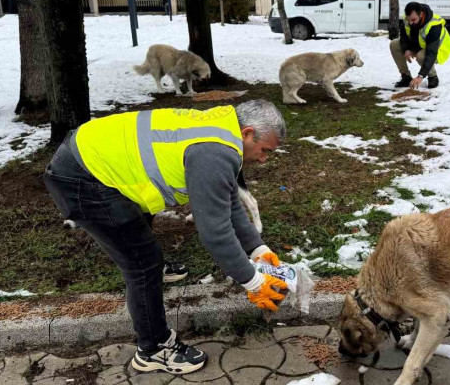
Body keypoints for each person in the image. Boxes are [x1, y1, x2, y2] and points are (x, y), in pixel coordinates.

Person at [43, 99, 288, 375]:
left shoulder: (223, 129)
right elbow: (215, 232)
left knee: (143, 252)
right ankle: (153, 349)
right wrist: (253, 281)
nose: (264, 158)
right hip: (82, 177)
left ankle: (153, 279)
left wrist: (257, 248)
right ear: (248, 133)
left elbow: (228, 200)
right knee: (143, 263)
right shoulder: (215, 152)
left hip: (95, 156)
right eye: (265, 150)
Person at [389, 1, 450, 89]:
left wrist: (420, 76)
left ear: (421, 14)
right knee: (394, 44)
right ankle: (406, 76)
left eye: (413, 20)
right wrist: (406, 49)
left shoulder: (434, 24)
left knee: (421, 56)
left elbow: (431, 52)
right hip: (419, 44)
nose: (410, 23)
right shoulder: (408, 18)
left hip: (438, 49)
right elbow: (404, 36)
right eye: (409, 20)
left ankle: (433, 77)